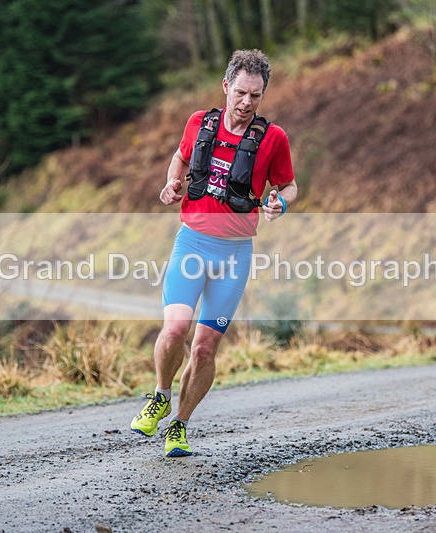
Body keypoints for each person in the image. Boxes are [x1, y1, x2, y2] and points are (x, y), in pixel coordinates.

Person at [130, 49, 298, 457]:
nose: (246, 102)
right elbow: (180, 157)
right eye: (240, 92)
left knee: (205, 348)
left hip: (234, 255)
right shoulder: (199, 123)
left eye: (255, 96)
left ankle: (179, 425)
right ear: (226, 86)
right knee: (175, 329)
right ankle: (160, 395)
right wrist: (172, 183)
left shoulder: (273, 139)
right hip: (192, 243)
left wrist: (280, 202)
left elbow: (289, 185)